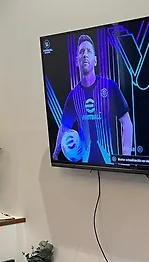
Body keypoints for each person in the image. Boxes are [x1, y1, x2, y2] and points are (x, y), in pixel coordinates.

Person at [52, 34, 133, 164]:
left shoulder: (110, 87)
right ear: (76, 61)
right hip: (86, 162)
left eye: (88, 51)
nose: (85, 55)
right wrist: (55, 155)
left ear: (95, 60)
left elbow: (127, 124)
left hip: (112, 163)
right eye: (81, 52)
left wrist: (126, 159)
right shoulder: (73, 96)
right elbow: (63, 128)